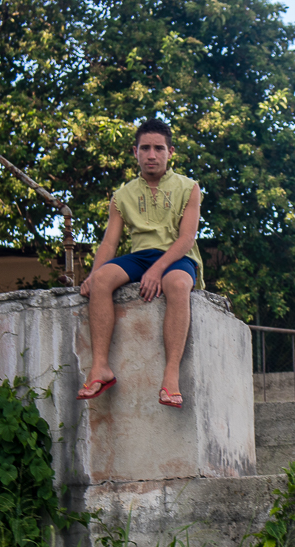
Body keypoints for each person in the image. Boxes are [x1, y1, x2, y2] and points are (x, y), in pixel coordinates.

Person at [76, 118, 204, 408]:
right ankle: (100, 368)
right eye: (145, 148)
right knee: (102, 280)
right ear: (135, 152)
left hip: (176, 256)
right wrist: (94, 274)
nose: (151, 155)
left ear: (170, 152)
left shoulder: (189, 188)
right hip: (139, 256)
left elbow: (187, 238)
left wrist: (158, 269)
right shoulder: (122, 196)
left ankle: (170, 377)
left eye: (158, 148)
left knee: (178, 283)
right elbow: (109, 243)